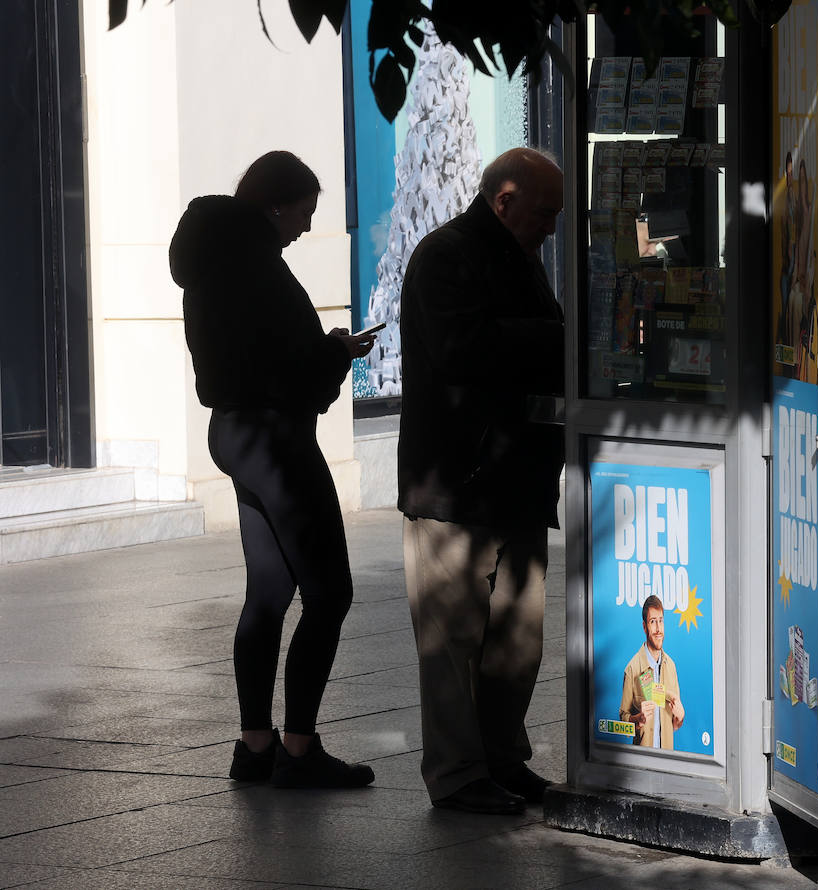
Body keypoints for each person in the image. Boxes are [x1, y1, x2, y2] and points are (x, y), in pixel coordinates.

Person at [170, 150, 378, 789]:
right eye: (304, 212)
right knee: (330, 594)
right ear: (275, 204)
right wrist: (337, 353)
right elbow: (293, 368)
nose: (307, 226)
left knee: (267, 593)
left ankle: (255, 746)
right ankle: (299, 749)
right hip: (275, 438)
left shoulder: (212, 259)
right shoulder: (258, 267)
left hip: (234, 430)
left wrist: (321, 352)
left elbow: (255, 354)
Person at [397, 147, 565, 815]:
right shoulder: (444, 256)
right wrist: (556, 339)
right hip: (456, 484)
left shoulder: (518, 254)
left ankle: (502, 757)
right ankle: (457, 773)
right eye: (544, 213)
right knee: (453, 642)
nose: (551, 227)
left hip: (518, 477)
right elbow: (463, 351)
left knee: (518, 637)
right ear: (505, 201)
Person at [618, 595, 686, 749]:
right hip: (642, 758)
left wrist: (681, 716)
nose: (658, 629)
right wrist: (638, 719)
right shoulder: (632, 669)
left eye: (661, 621)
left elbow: (675, 725)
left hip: (667, 758)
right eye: (653, 621)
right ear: (644, 627)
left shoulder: (671, 667)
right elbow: (623, 721)